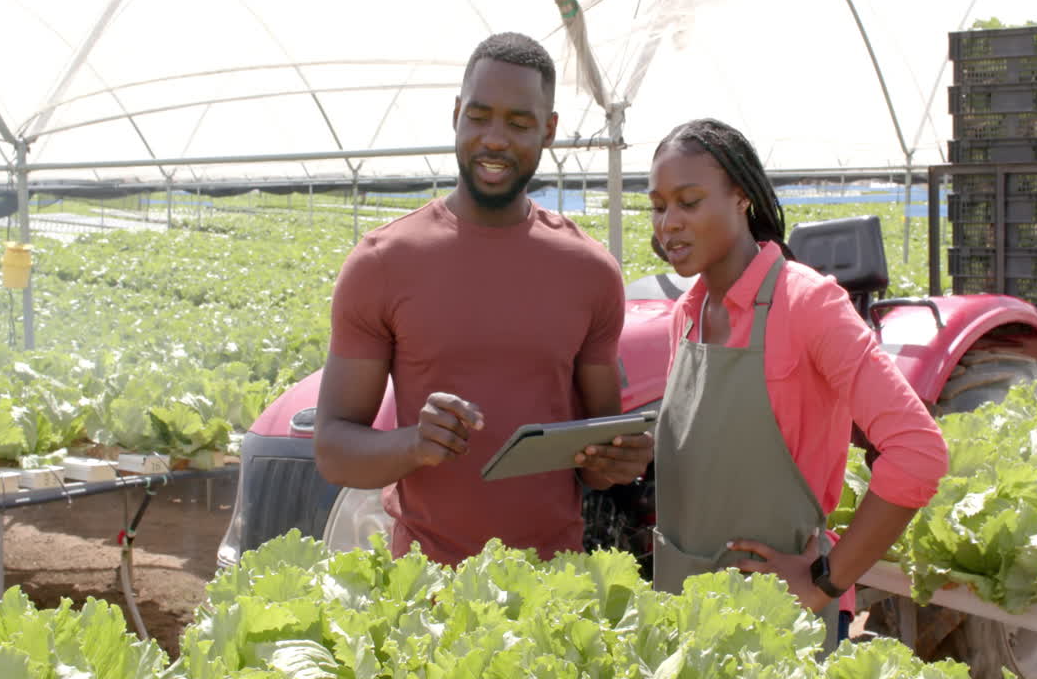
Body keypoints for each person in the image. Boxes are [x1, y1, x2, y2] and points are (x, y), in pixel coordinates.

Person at [314, 32, 654, 567]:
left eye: (519, 123)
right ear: (456, 116)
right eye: (479, 116)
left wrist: (621, 458)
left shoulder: (590, 271)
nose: (495, 139)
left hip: (551, 586)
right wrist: (414, 444)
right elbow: (333, 450)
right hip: (425, 588)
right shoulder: (382, 263)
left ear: (549, 130)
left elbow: (593, 459)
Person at [647, 118, 948, 652]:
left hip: (779, 624)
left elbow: (918, 452)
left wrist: (824, 581)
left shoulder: (807, 304)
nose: (668, 223)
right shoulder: (686, 316)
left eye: (688, 202)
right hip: (684, 612)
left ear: (741, 198)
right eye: (658, 206)